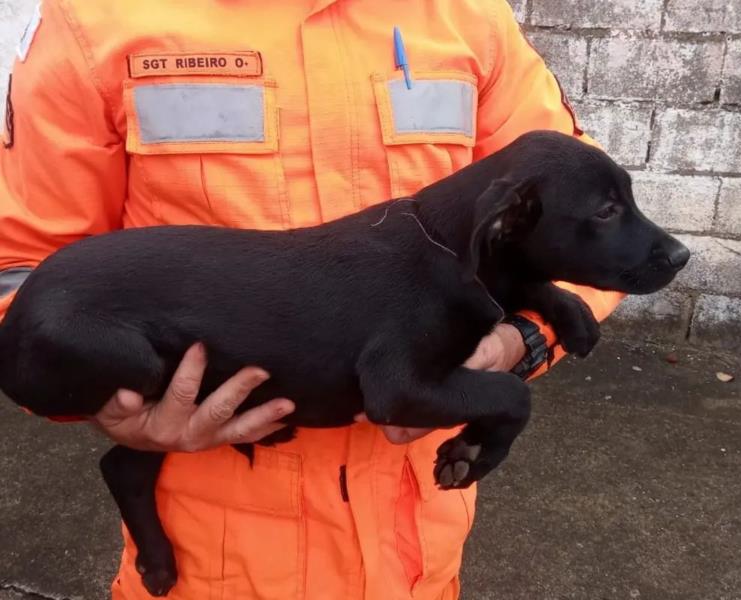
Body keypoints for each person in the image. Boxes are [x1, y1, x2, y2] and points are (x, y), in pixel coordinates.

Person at [0, 1, 623, 598]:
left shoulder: (467, 16)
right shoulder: (92, 21)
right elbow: (20, 271)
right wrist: (112, 405)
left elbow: (589, 223)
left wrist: (528, 334)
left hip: (412, 545)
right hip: (216, 547)